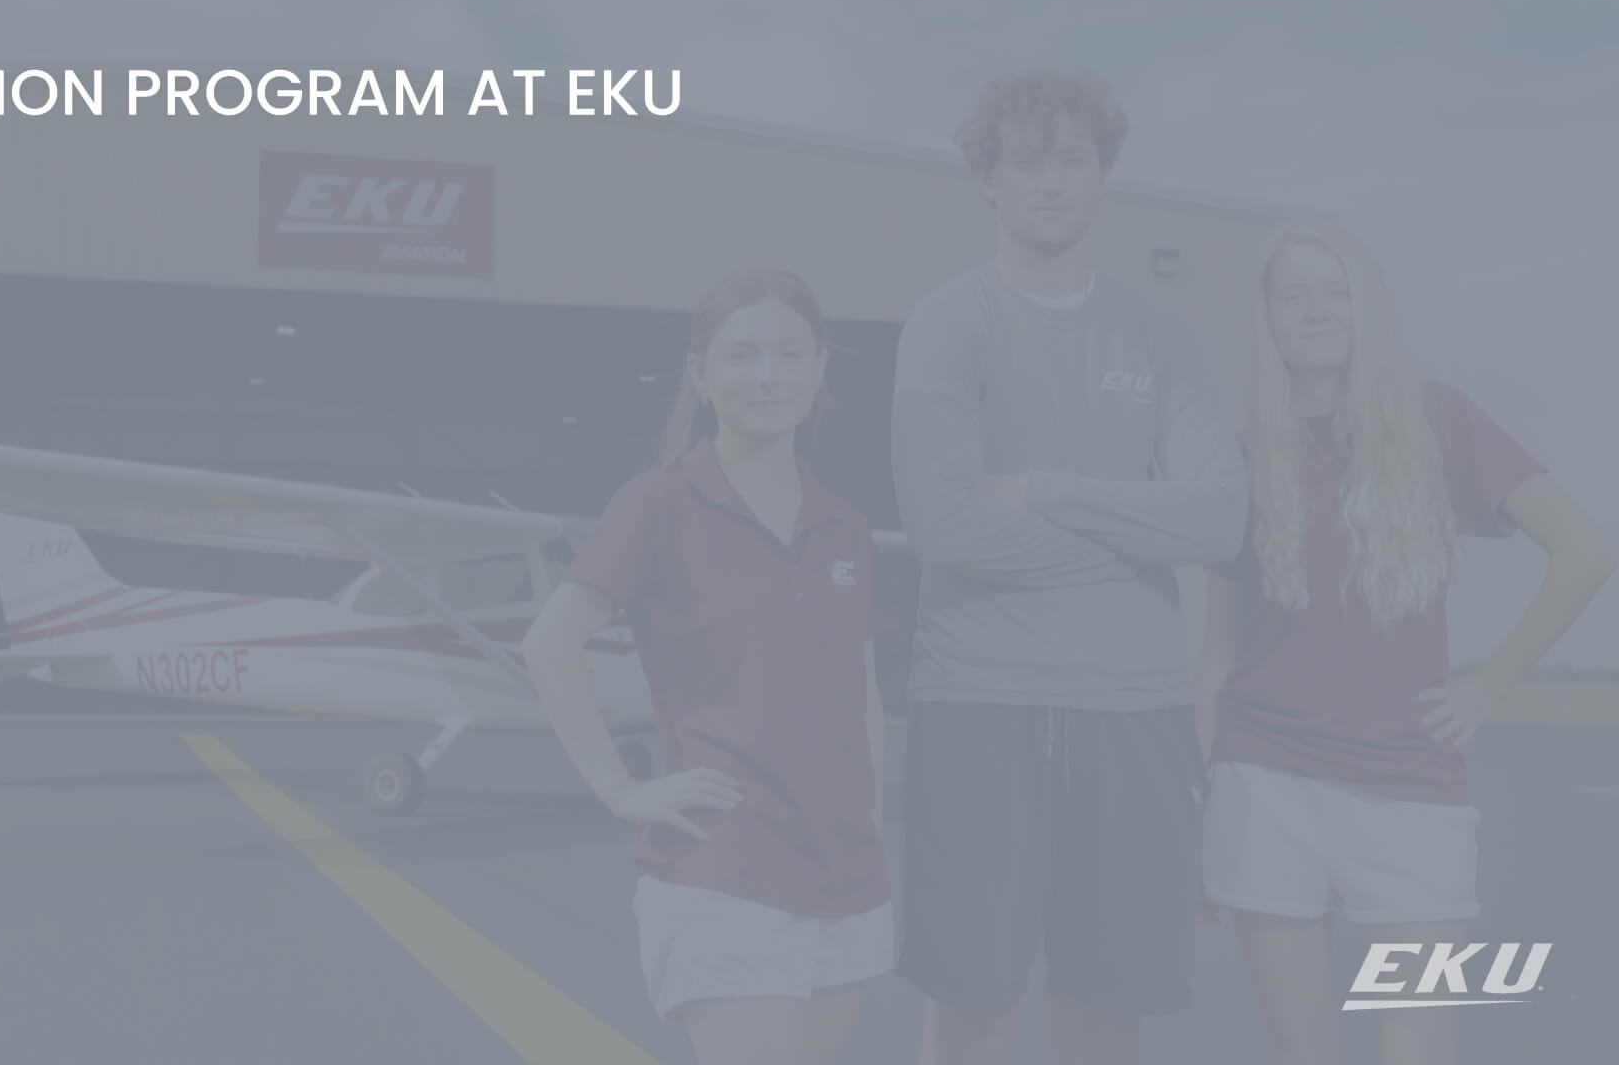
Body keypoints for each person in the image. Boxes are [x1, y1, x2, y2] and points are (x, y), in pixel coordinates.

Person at [888, 70, 1248, 1065]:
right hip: (980, 704)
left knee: (1104, 1004)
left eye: (1071, 161)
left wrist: (1047, 490)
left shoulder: (1165, 337)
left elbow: (1219, 523)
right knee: (976, 1001)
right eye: (1026, 162)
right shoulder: (948, 325)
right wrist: (1138, 537)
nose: (1050, 183)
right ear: (987, 181)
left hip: (1135, 711)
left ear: (1104, 177)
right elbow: (946, 529)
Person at [1195, 220, 1614, 1065]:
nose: (1316, 310)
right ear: (1267, 319)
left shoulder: (1439, 419)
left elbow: (1585, 550)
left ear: (1369, 308)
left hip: (1410, 782)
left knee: (1418, 1041)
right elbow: (1214, 652)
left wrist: (1490, 685)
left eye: (1336, 289)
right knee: (1301, 1051)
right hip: (1265, 775)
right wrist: (1203, 795)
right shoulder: (1238, 453)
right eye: (1294, 294)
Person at [521, 268, 892, 1065]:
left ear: (821, 367)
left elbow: (857, 686)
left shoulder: (846, 527)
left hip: (844, 870)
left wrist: (872, 814)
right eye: (743, 355)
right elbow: (549, 645)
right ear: (701, 374)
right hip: (724, 867)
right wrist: (622, 789)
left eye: (790, 354)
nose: (768, 376)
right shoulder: (659, 502)